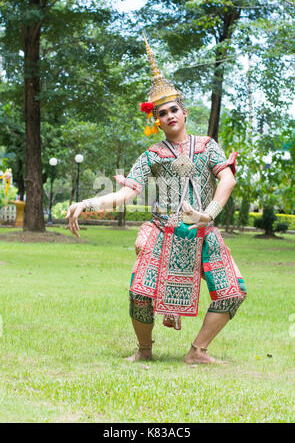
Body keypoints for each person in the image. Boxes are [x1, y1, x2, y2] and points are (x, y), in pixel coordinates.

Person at [65, 35, 247, 364]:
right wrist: (86, 203)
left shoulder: (207, 145)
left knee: (234, 292)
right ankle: (144, 349)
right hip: (163, 232)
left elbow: (228, 178)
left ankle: (197, 351)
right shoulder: (152, 155)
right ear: (157, 120)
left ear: (185, 112)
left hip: (204, 231)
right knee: (138, 294)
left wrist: (209, 213)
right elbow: (126, 192)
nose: (169, 116)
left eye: (174, 109)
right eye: (162, 113)